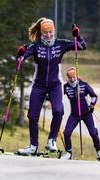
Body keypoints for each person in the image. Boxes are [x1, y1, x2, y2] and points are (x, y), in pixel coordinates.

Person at [16, 17, 87, 155]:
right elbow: (20, 59)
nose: (48, 36)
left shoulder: (60, 44)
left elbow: (82, 46)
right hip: (39, 85)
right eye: (45, 33)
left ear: (54, 31)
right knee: (32, 115)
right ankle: (33, 146)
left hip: (55, 84)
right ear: (41, 33)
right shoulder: (35, 46)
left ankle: (51, 141)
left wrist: (77, 36)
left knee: (58, 111)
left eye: (51, 32)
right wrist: (20, 54)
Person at [61, 67, 100, 160]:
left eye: (73, 77)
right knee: (66, 132)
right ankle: (68, 153)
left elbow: (94, 96)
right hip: (74, 114)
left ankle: (99, 152)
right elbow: (58, 96)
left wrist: (92, 104)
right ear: (67, 77)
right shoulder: (66, 87)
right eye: (70, 77)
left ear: (76, 75)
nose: (72, 79)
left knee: (93, 133)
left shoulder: (83, 85)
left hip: (87, 113)